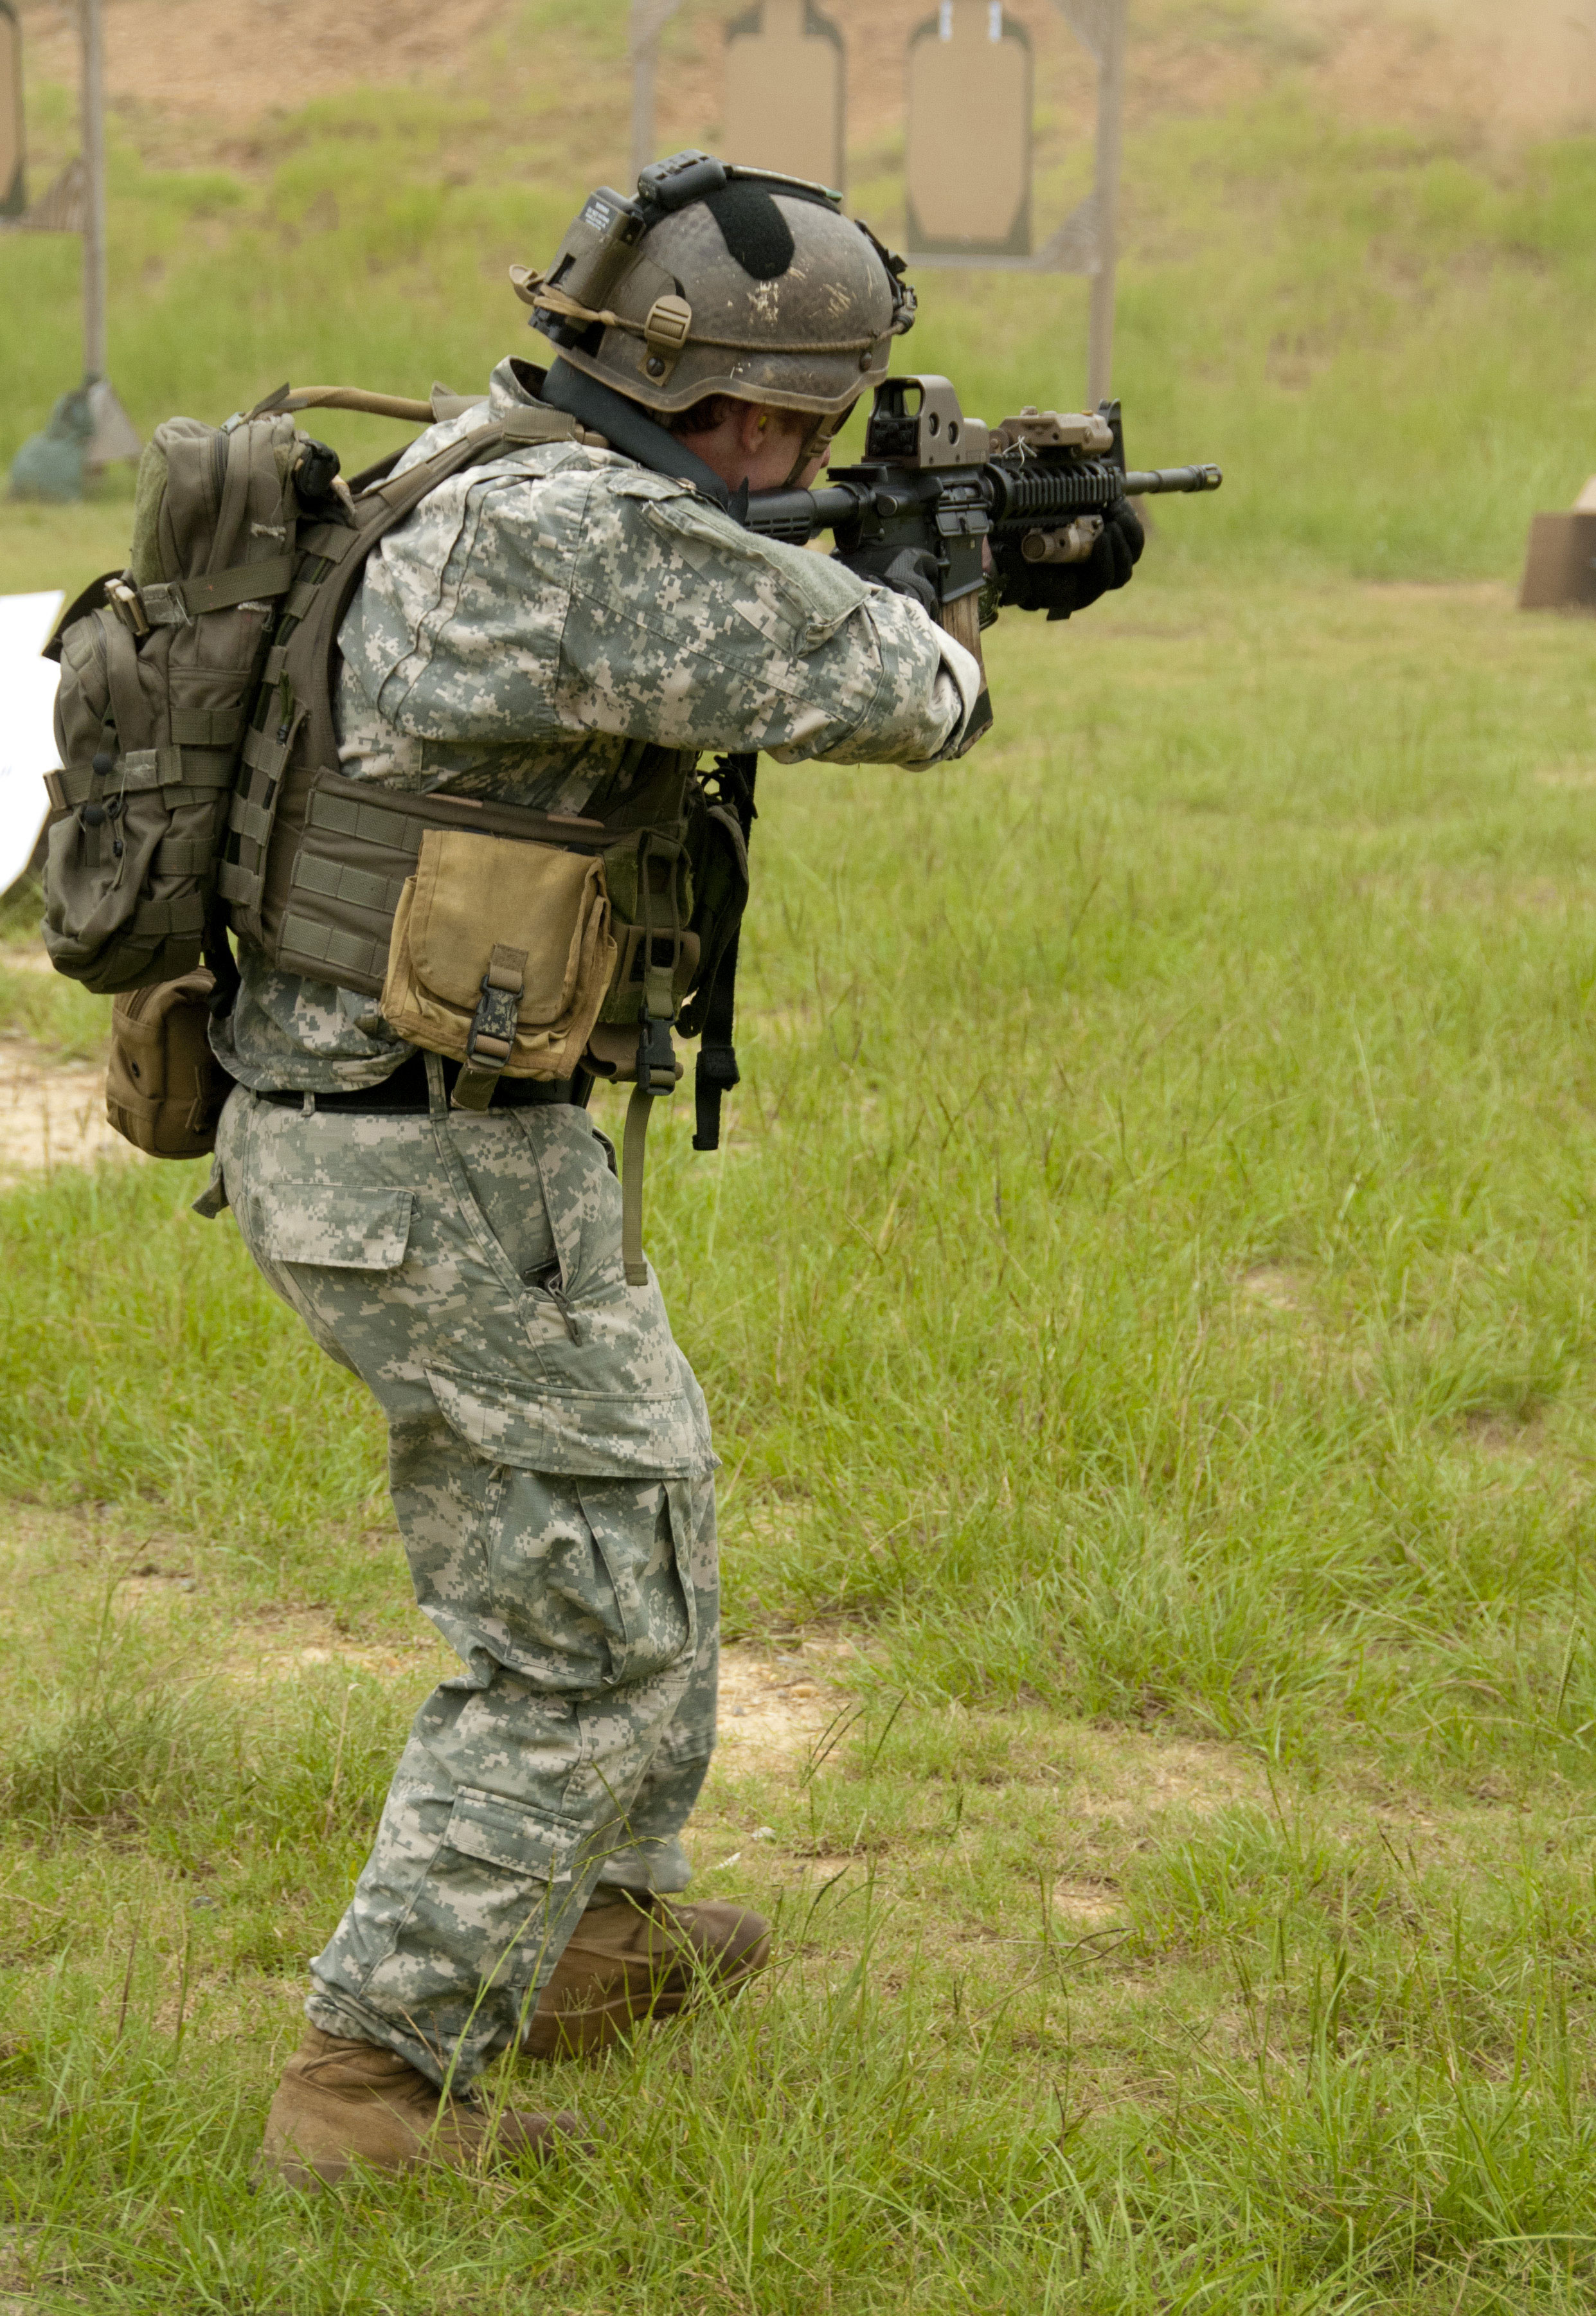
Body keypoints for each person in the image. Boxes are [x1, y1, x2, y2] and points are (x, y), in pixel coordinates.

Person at [209, 154, 1140, 2188]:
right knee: (581, 1631)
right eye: (800, 421)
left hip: (424, 1140)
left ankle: (598, 1933)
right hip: (420, 1163)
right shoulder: (578, 537)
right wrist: (952, 592)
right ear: (736, 401)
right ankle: (372, 2082)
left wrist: (886, 546)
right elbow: (898, 692)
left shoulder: (491, 456)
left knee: (651, 1498)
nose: (794, 452)